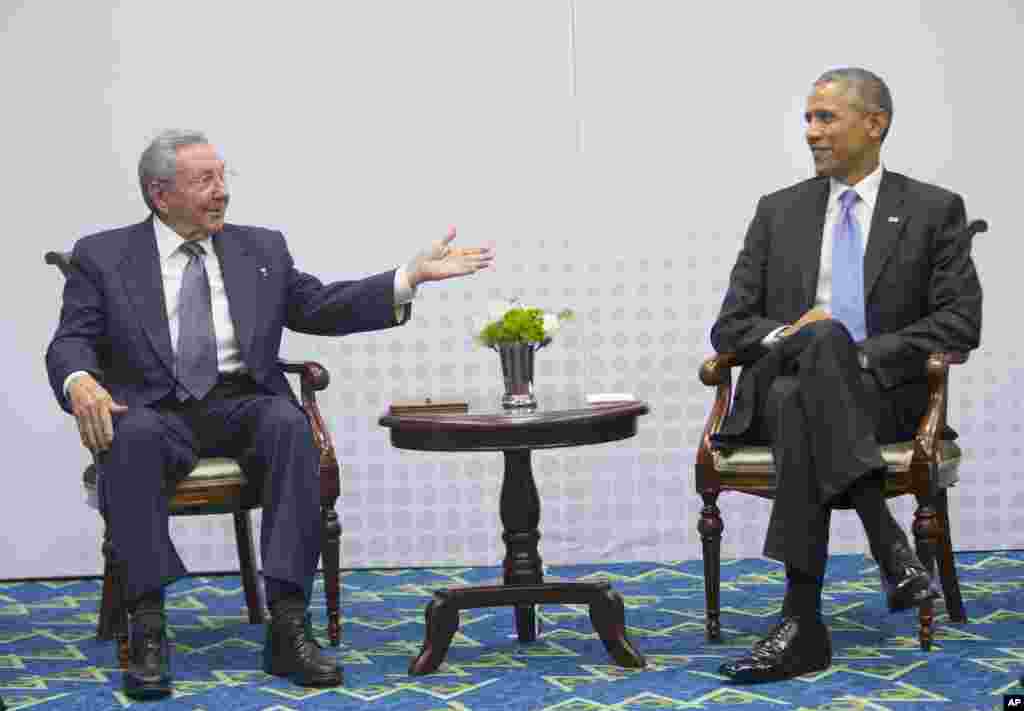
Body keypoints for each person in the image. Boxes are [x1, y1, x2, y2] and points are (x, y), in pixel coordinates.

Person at [45, 129, 494, 699]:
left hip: (239, 404)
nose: (221, 192)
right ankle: (149, 626)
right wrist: (80, 379)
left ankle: (287, 623)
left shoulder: (260, 249)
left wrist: (407, 279)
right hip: (153, 411)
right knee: (129, 437)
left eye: (223, 177)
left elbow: (319, 305)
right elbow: (71, 340)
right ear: (160, 194)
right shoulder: (104, 256)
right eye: (203, 180)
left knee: (288, 426)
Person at [710, 68, 982, 683]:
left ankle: (802, 621)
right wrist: (796, 336)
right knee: (806, 369)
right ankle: (887, 544)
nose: (811, 132)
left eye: (825, 118)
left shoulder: (933, 210)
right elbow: (730, 328)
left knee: (805, 382)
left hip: (881, 395)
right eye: (808, 119)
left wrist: (858, 353)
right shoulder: (779, 210)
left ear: (875, 123)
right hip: (797, 389)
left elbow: (960, 324)